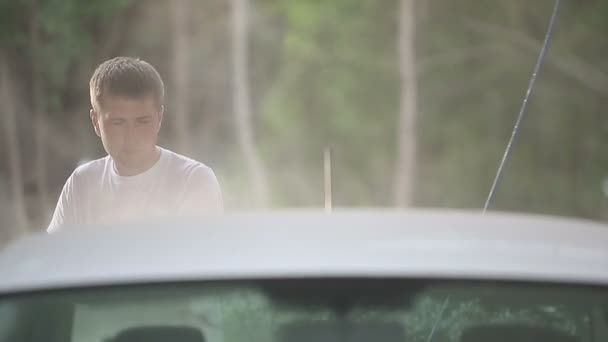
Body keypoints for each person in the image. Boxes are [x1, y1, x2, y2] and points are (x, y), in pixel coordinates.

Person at [47, 57, 223, 232]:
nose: (131, 136)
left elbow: (200, 257)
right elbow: (55, 256)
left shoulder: (193, 181)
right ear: (95, 122)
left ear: (159, 118)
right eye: (118, 123)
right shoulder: (81, 184)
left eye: (143, 121)